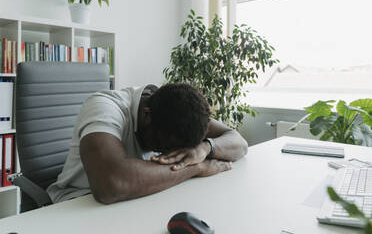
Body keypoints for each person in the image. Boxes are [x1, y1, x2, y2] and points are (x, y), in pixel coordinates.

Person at [47, 83, 248, 204]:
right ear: (146, 115)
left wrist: (204, 148)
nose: (168, 155)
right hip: (79, 204)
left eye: (179, 151)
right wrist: (195, 167)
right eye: (163, 145)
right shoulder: (105, 107)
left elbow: (239, 142)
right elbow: (111, 185)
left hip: (138, 197)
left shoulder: (180, 110)